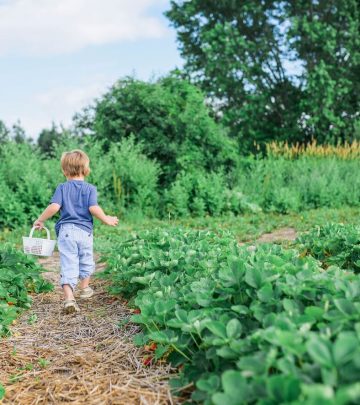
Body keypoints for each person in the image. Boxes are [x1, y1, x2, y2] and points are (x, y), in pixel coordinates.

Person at [33, 149, 118, 314]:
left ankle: (69, 299)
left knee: (68, 263)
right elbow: (93, 208)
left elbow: (54, 207)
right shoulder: (90, 188)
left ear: (64, 171)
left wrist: (41, 219)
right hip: (84, 232)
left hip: (66, 232)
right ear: (86, 170)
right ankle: (85, 288)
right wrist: (106, 218)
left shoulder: (62, 187)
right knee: (86, 259)